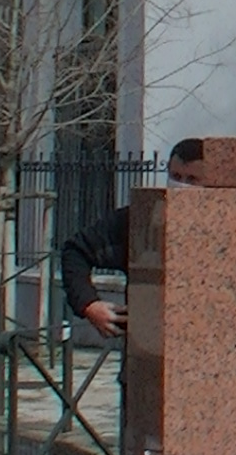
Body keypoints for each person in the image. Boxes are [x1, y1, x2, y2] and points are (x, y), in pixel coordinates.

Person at [60, 141, 207, 341]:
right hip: (146, 346)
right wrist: (89, 304)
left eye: (192, 179)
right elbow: (76, 250)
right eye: (176, 177)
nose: (181, 185)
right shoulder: (138, 219)